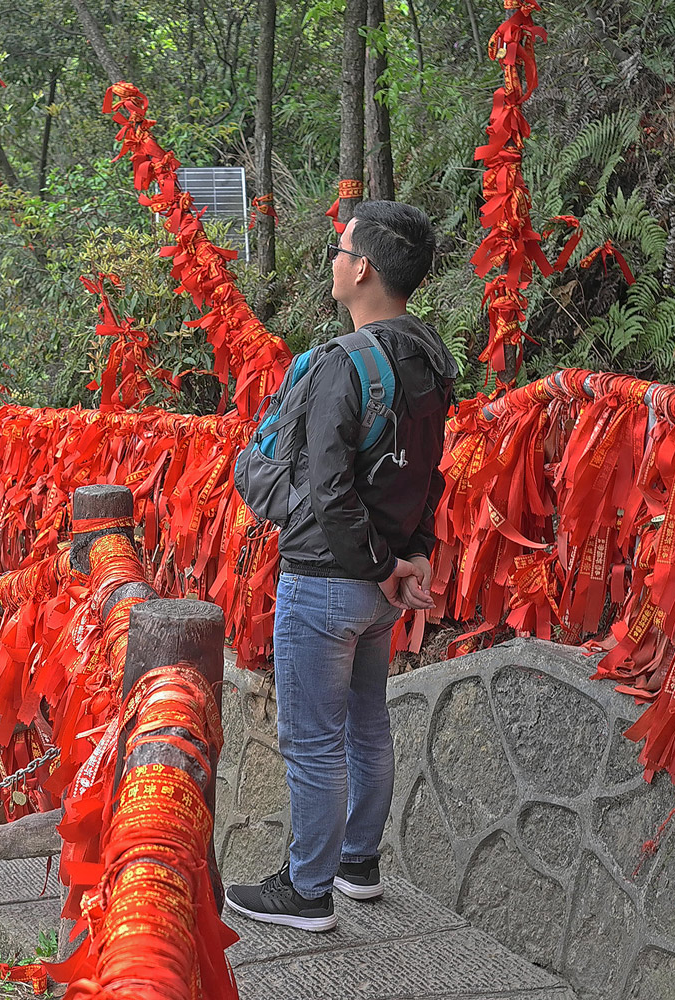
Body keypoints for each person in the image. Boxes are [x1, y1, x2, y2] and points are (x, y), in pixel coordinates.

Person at [225, 201, 457, 932]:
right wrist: (408, 556)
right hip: (379, 584)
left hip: (327, 581)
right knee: (365, 726)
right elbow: (430, 476)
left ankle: (305, 890)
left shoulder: (342, 362)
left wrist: (381, 562)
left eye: (339, 248)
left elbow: (326, 489)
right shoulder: (429, 355)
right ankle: (358, 864)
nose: (332, 259)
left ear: (362, 268)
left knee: (314, 741)